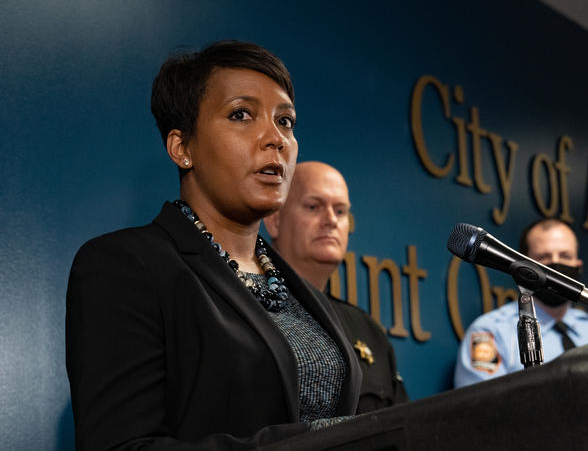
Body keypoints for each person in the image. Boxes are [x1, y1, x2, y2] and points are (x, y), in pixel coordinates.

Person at [65, 40, 362, 451]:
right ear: (182, 148)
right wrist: (306, 443)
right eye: (241, 115)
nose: (274, 138)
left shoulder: (302, 292)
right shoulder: (124, 265)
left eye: (286, 121)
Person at [264, 161, 409, 413]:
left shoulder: (368, 330)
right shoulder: (248, 310)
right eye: (313, 207)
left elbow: (405, 429)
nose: (331, 220)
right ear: (275, 220)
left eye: (340, 211)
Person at [454, 218, 588, 387]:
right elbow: (481, 407)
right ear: (524, 265)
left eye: (565, 256)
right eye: (543, 257)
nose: (555, 264)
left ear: (578, 266)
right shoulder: (493, 332)